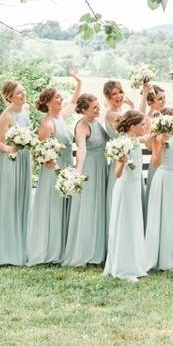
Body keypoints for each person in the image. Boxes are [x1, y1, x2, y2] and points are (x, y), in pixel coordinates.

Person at [27, 70, 82, 266]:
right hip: (54, 173)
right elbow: (39, 152)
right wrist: (50, 163)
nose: (61, 98)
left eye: (60, 96)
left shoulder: (61, 118)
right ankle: (49, 251)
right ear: (49, 103)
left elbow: (74, 103)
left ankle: (63, 248)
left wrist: (79, 82)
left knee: (64, 208)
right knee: (53, 209)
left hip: (66, 170)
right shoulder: (48, 124)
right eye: (57, 97)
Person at [0, 80, 32, 266]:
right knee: (8, 203)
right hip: (10, 161)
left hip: (24, 160)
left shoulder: (26, 109)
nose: (23, 95)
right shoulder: (6, 115)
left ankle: (22, 245)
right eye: (18, 93)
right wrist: (11, 149)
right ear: (9, 97)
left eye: (23, 91)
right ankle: (5, 249)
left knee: (22, 200)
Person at [61, 94, 109, 267]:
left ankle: (99, 248)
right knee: (87, 207)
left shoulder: (97, 122)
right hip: (89, 168)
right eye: (94, 107)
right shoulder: (82, 125)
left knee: (98, 206)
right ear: (83, 110)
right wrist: (78, 172)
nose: (98, 109)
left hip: (101, 166)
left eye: (98, 106)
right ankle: (85, 250)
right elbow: (81, 150)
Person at [104, 111, 150, 281]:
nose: (145, 127)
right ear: (132, 127)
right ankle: (124, 268)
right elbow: (117, 174)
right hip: (125, 188)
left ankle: (135, 263)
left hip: (135, 187)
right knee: (126, 225)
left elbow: (143, 139)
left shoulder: (134, 142)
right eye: (142, 125)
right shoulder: (123, 144)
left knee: (134, 224)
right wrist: (123, 161)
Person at [144, 108, 173, 271]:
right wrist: (160, 144)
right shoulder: (159, 137)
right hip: (164, 179)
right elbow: (155, 163)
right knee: (165, 217)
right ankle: (165, 259)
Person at [102, 80, 133, 231]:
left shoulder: (119, 113)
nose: (119, 96)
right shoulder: (113, 115)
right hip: (120, 159)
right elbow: (130, 130)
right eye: (114, 94)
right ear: (107, 97)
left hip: (126, 156)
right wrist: (132, 106)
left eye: (120, 92)